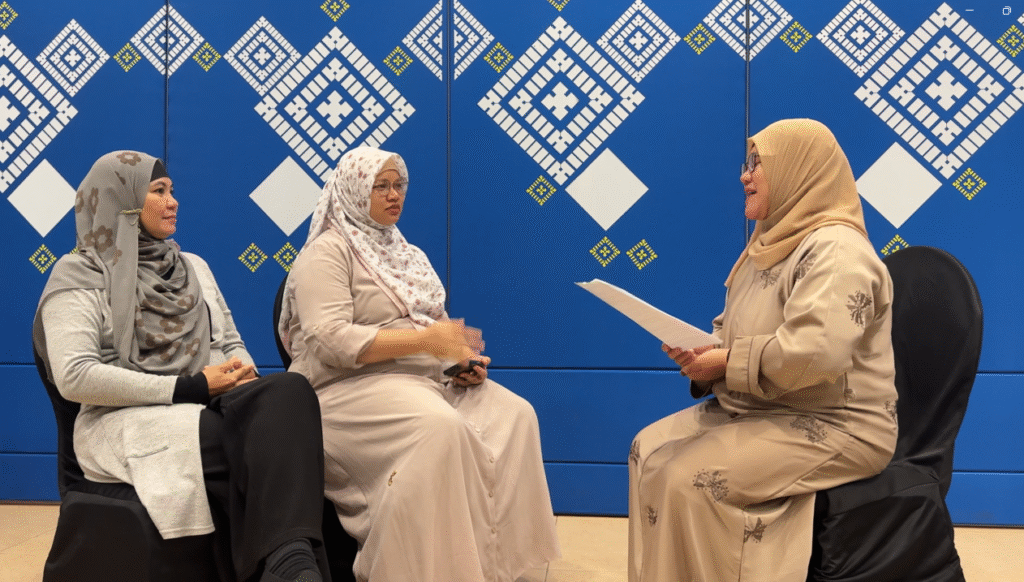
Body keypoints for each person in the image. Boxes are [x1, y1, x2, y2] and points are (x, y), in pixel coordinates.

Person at [32, 150, 329, 582]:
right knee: (252, 443)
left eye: (172, 190)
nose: (173, 202)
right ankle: (295, 566)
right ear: (122, 200)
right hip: (124, 419)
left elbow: (230, 342)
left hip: (213, 399)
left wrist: (241, 375)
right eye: (158, 191)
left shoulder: (194, 268)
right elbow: (75, 375)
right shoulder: (79, 275)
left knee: (291, 391)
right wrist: (190, 387)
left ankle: (289, 565)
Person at [627, 119, 899, 582]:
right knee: (646, 448)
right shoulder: (771, 239)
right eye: (746, 162)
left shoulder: (838, 252)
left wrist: (726, 362)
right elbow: (733, 326)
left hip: (836, 423)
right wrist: (703, 357)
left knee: (689, 479)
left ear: (798, 169)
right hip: (761, 404)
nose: (744, 175)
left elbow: (814, 356)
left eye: (758, 164)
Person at [278, 146, 560, 582]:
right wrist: (424, 342)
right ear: (353, 191)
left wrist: (459, 361)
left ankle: (494, 568)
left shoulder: (406, 252)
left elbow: (439, 328)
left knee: (515, 414)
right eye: (381, 186)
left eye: (399, 185)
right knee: (441, 427)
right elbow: (329, 340)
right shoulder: (326, 253)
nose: (394, 195)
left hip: (422, 381)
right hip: (346, 389)